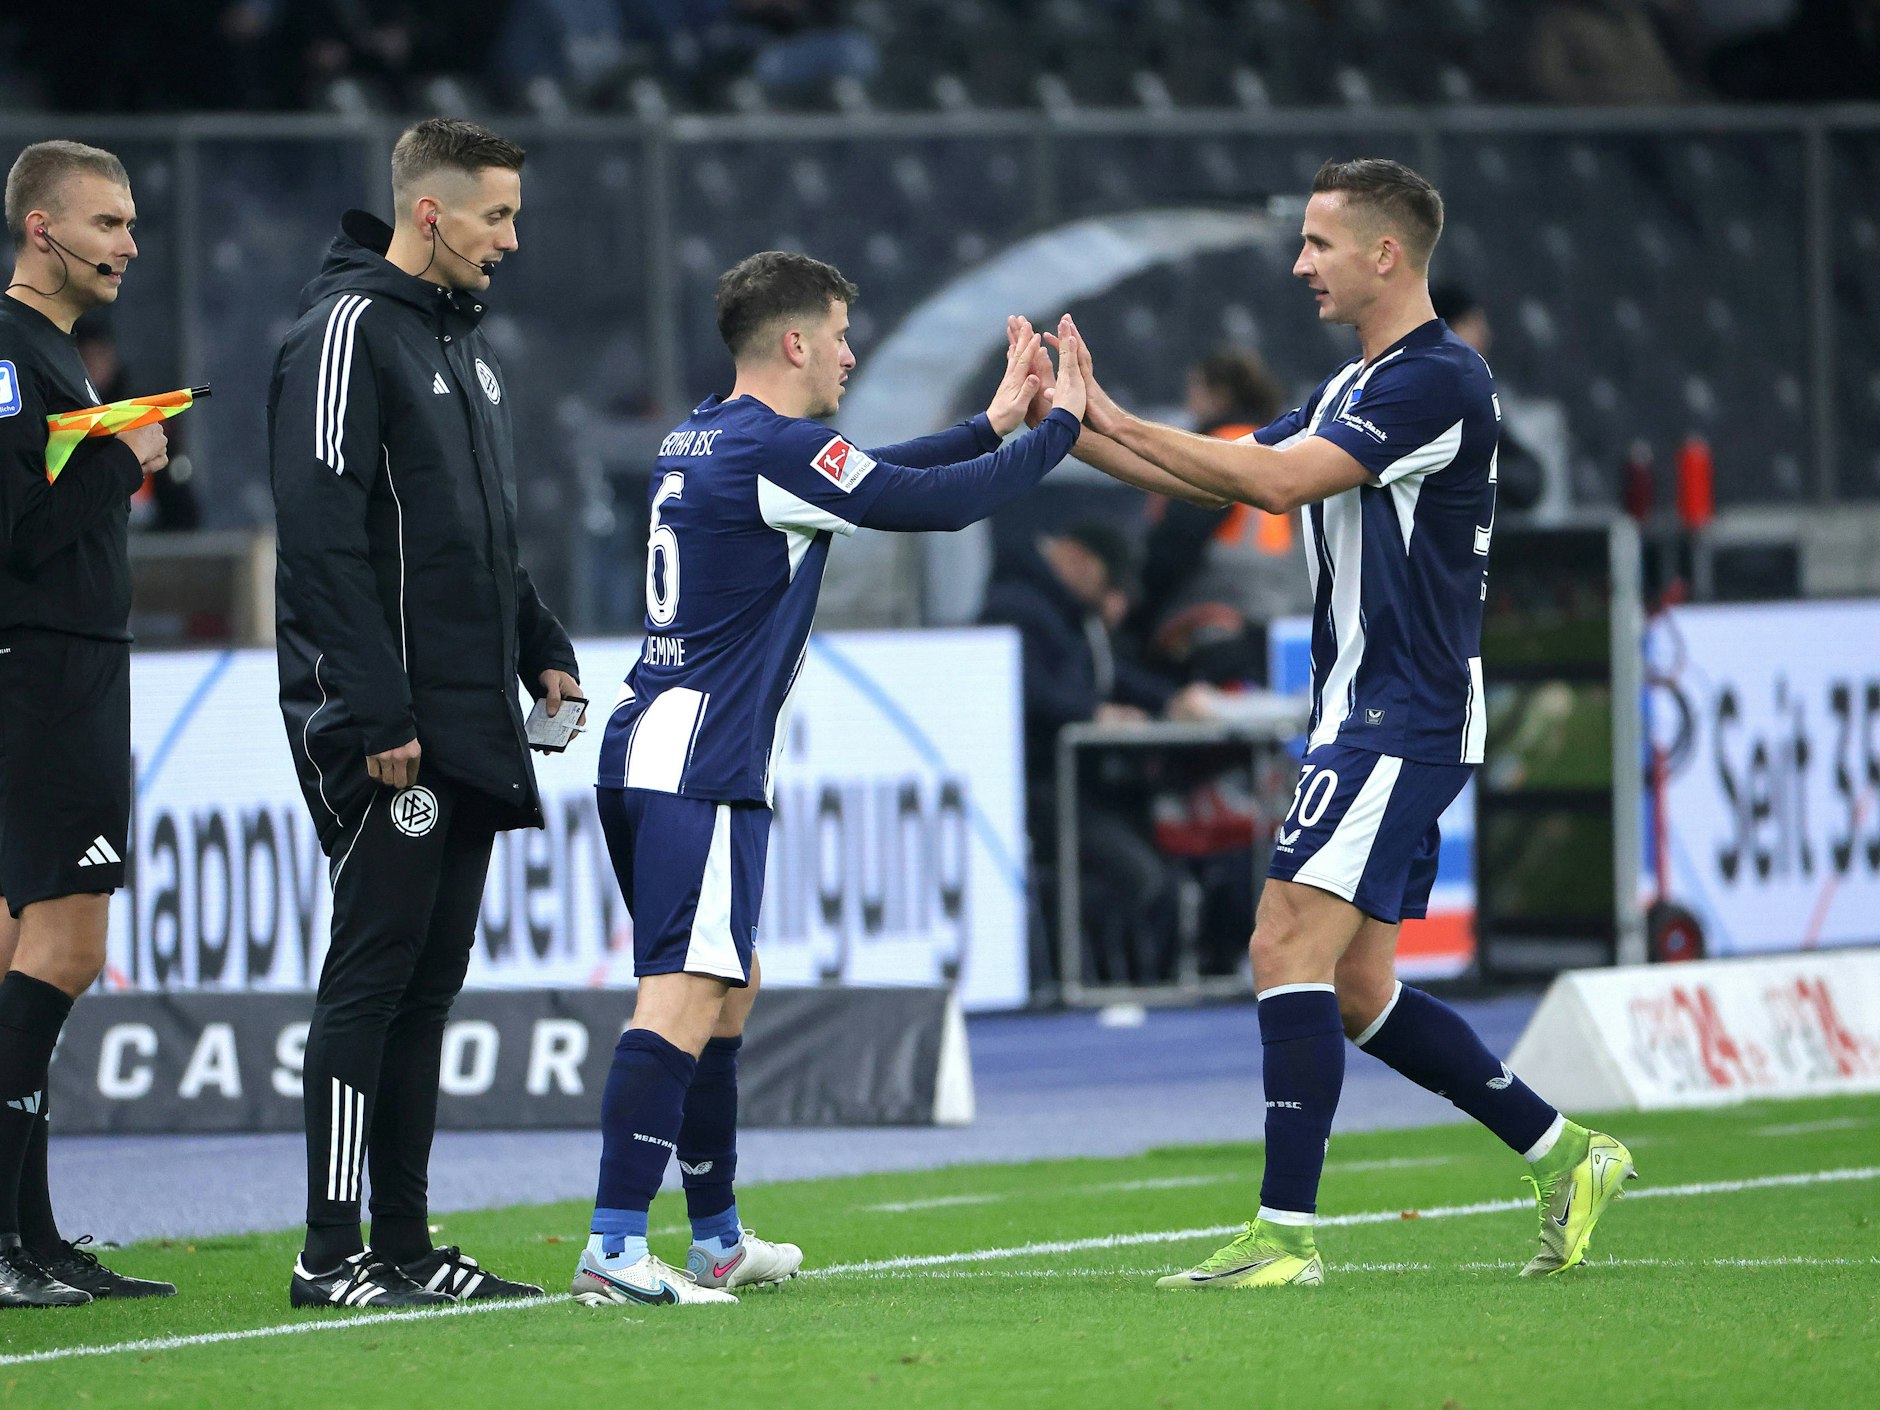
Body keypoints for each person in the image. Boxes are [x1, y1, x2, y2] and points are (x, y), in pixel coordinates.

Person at [1039, 158, 1634, 1289]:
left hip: (1394, 714)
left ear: (1385, 254)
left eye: (1317, 243)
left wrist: (1100, 409)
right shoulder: (1349, 385)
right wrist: (1058, 427)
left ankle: (1284, 1238)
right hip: (1371, 715)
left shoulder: (1436, 383)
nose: (1298, 263)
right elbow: (1229, 473)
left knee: (1280, 943)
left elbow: (1274, 488)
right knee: (1354, 989)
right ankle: (1567, 1153)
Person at [573, 251, 1087, 1307]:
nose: (851, 353)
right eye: (841, 333)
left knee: (725, 986)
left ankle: (712, 1239)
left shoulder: (712, 431)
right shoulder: (773, 447)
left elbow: (873, 475)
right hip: (699, 761)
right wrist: (1058, 431)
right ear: (795, 341)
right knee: (680, 993)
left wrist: (991, 427)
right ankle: (616, 1248)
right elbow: (923, 504)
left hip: (654, 746)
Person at [269, 117, 581, 1311]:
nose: (511, 239)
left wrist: (538, 648)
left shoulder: (462, 351)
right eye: (496, 215)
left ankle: (404, 1246)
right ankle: (329, 1254)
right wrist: (374, 708)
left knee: (426, 989)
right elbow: (321, 542)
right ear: (431, 212)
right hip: (387, 726)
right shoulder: (347, 331)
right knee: (369, 982)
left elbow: (475, 543)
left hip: (462, 719)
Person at [0, 140, 175, 1307]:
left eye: (128, 224)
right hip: (46, 674)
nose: (125, 244)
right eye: (104, 224)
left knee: (17, 959)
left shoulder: (46, 351)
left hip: (51, 668)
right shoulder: (12, 352)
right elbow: (14, 527)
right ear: (40, 230)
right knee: (66, 952)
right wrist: (126, 459)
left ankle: (35, 1238)